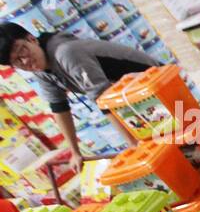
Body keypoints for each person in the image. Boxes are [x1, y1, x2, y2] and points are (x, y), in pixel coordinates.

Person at [0, 22, 159, 170]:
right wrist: (75, 152)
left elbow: (103, 98)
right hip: (137, 99)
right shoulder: (41, 70)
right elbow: (59, 107)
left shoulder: (66, 52)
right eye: (16, 61)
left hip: (157, 83)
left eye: (21, 50)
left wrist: (132, 144)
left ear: (31, 39)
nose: (25, 61)